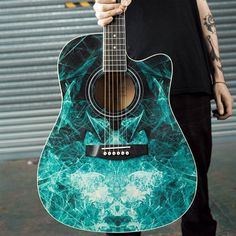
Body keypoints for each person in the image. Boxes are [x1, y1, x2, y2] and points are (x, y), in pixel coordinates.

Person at [93, 0, 233, 235]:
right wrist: (101, 8)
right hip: (133, 84)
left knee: (195, 189)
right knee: (123, 192)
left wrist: (218, 77)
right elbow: (103, 5)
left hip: (189, 76)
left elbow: (202, 10)